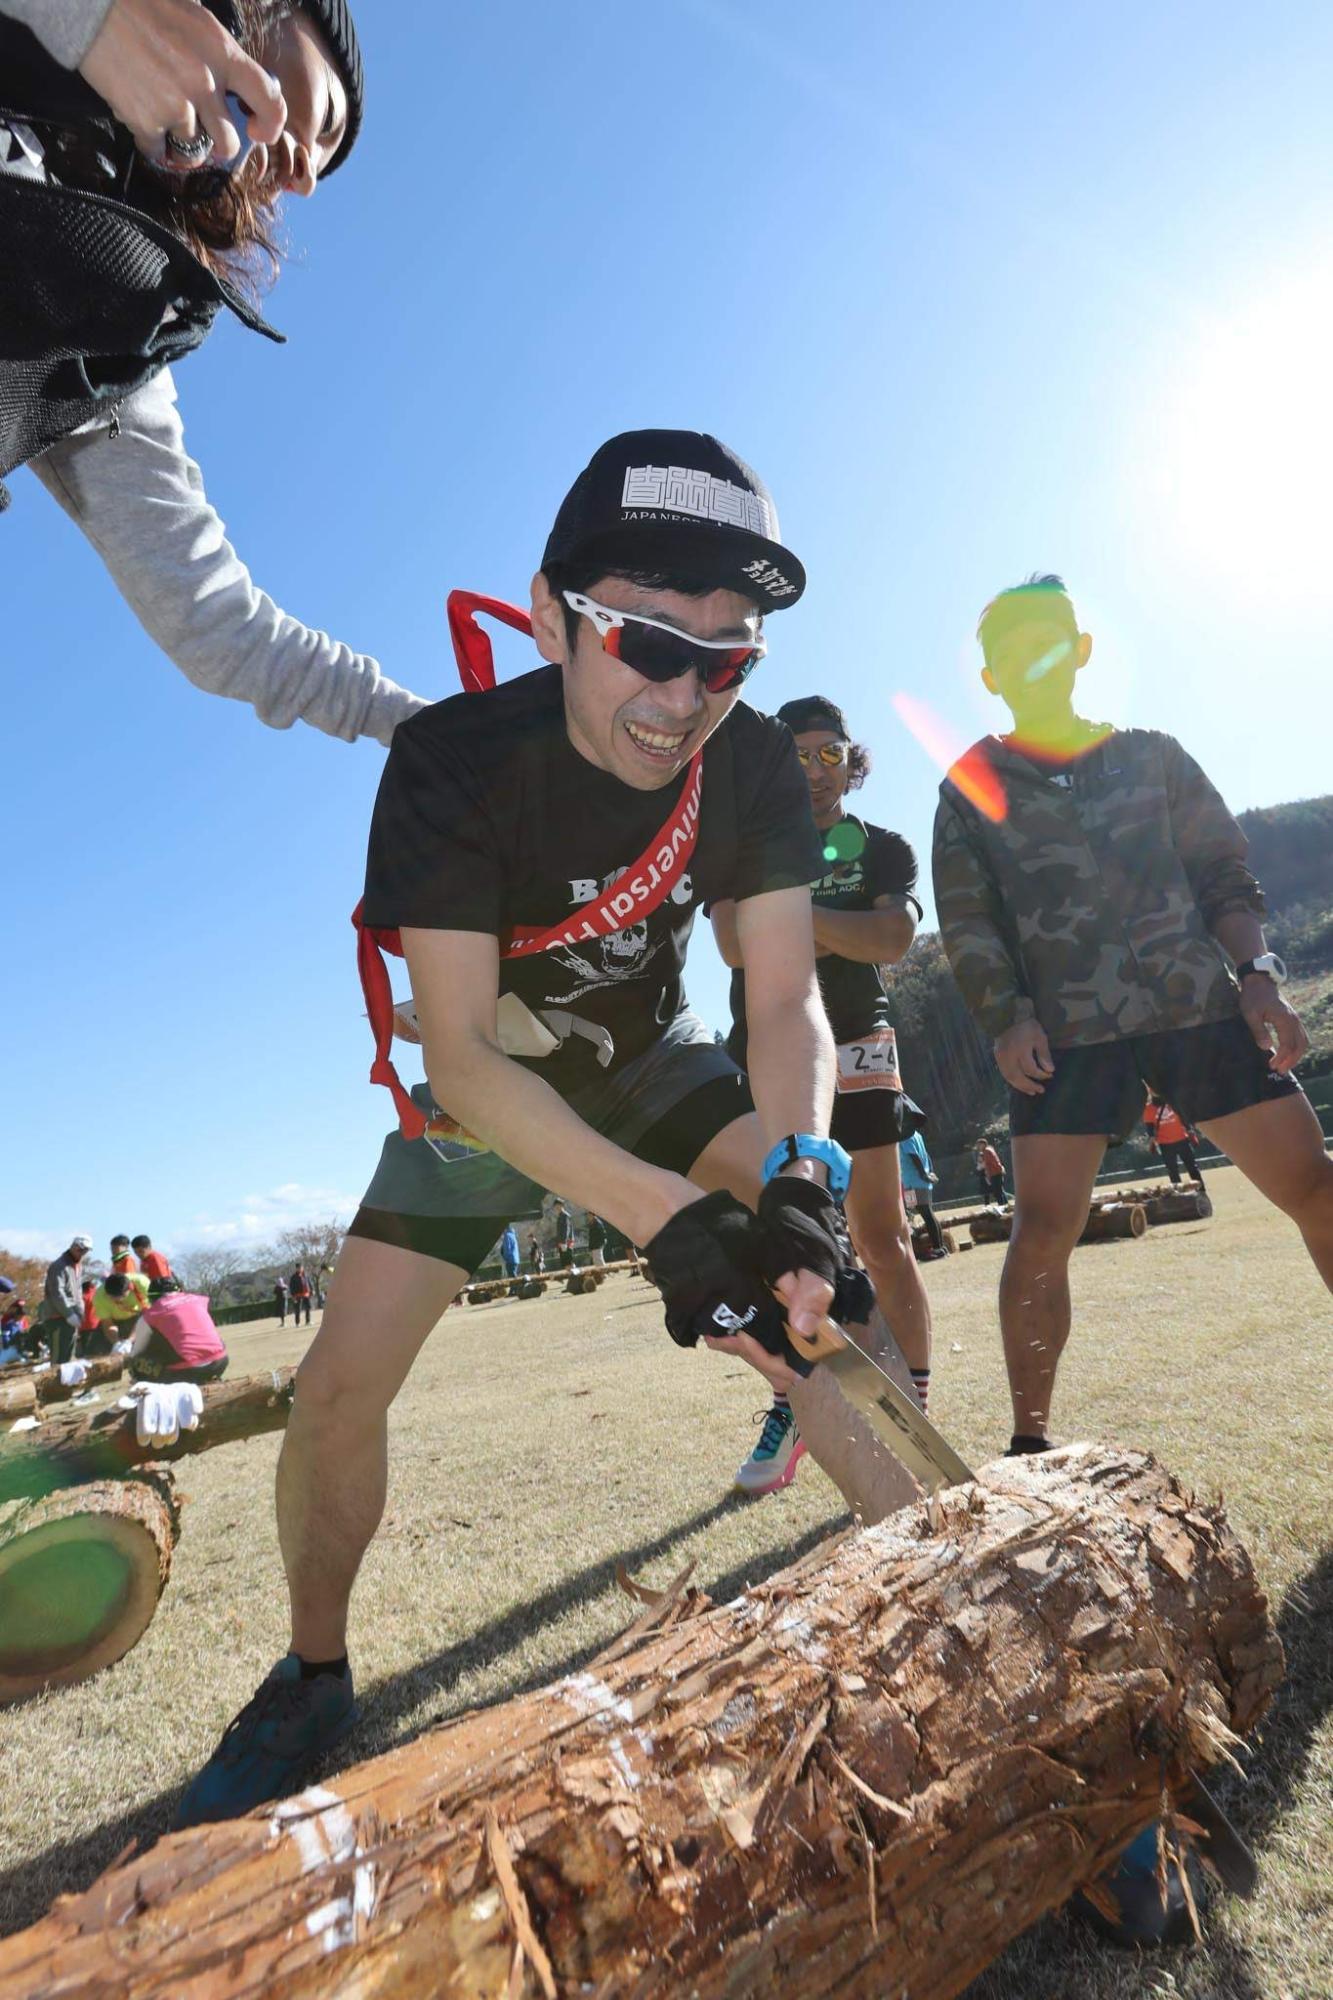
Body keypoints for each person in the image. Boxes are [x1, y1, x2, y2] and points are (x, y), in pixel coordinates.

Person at [176, 425, 922, 1829]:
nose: (685, 695)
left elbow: (781, 1003)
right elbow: (456, 1055)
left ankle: (958, 1615)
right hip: (495, 1092)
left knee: (830, 1299)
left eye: (728, 657)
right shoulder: (455, 763)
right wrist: (666, 1217)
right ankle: (313, 1673)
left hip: (648, 1061)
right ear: (550, 614)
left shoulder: (752, 763)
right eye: (649, 642)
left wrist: (803, 1169)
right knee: (336, 1392)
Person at [933, 571, 1333, 1467]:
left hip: (1197, 1006)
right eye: (1009, 650)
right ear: (989, 675)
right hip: (1064, 1036)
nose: (1031, 659)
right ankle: (1028, 1449)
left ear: (1078, 651)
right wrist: (1004, 1018)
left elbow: (1222, 873)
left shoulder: (1153, 755)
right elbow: (967, 920)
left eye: (1048, 638)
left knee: (1316, 1189)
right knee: (1039, 1233)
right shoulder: (971, 784)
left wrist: (1258, 974)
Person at [2, 0, 425, 750]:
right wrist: (93, 21)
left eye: (323, 166)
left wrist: (436, 731)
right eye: (324, 121)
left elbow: (217, 624)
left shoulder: (119, 321)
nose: (306, 176)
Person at [713, 693, 930, 1496]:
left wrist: (789, 913)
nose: (813, 770)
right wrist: (829, 921)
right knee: (786, 1237)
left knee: (880, 1233)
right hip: (768, 1046)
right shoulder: (741, 844)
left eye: (828, 754)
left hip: (859, 1039)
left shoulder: (885, 847)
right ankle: (793, 1401)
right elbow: (736, 946)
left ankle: (913, 1404)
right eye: (796, 755)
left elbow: (892, 940)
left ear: (851, 760)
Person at [125, 1284, 228, 1384]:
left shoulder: (151, 1314)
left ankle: (146, 1386)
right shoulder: (198, 1299)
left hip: (186, 1372)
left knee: (138, 1358)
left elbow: (137, 1351)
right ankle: (210, 1378)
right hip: (220, 1362)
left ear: (152, 1298)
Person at [40, 1231, 91, 1362]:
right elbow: (57, 1292)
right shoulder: (59, 1266)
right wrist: (69, 1314)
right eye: (80, 1249)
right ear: (73, 1246)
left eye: (85, 1250)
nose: (82, 1252)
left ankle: (65, 1382)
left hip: (71, 1318)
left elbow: (77, 1292)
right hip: (57, 1318)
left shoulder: (78, 1266)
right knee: (58, 1358)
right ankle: (55, 1383)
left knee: (68, 1357)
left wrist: (80, 1313)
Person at [1143, 1092, 1206, 1189]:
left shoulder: (1174, 1101)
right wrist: (1152, 1141)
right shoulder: (1149, 1108)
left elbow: (1184, 1118)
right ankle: (1178, 1195)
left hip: (1182, 1139)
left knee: (1193, 1168)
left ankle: (1201, 1190)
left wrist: (1190, 1131)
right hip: (1165, 1144)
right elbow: (1149, 1127)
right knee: (1173, 1172)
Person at [899, 1130, 946, 1257]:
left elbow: (914, 1155)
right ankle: (940, 1247)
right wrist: (930, 1171)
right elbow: (926, 1154)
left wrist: (923, 1174)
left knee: (926, 1214)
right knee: (923, 1213)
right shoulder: (917, 1134)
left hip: (914, 1181)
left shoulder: (904, 1136)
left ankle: (938, 1248)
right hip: (912, 1182)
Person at [976, 1139, 1007, 1204]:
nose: (978, 1147)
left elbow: (993, 1162)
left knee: (998, 1192)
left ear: (983, 1144)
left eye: (979, 1145)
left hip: (995, 1173)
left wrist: (999, 1169)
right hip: (995, 1173)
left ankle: (1002, 1207)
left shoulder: (987, 1151)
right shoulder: (989, 1150)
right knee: (999, 1191)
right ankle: (1005, 1206)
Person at [552, 1201, 575, 1269]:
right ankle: (571, 1277)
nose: (556, 1208)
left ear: (562, 1206)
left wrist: (564, 1242)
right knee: (565, 1262)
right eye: (555, 1206)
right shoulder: (560, 1216)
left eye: (558, 1205)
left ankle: (575, 1276)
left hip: (566, 1242)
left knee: (568, 1261)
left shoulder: (565, 1216)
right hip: (562, 1242)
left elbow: (566, 1230)